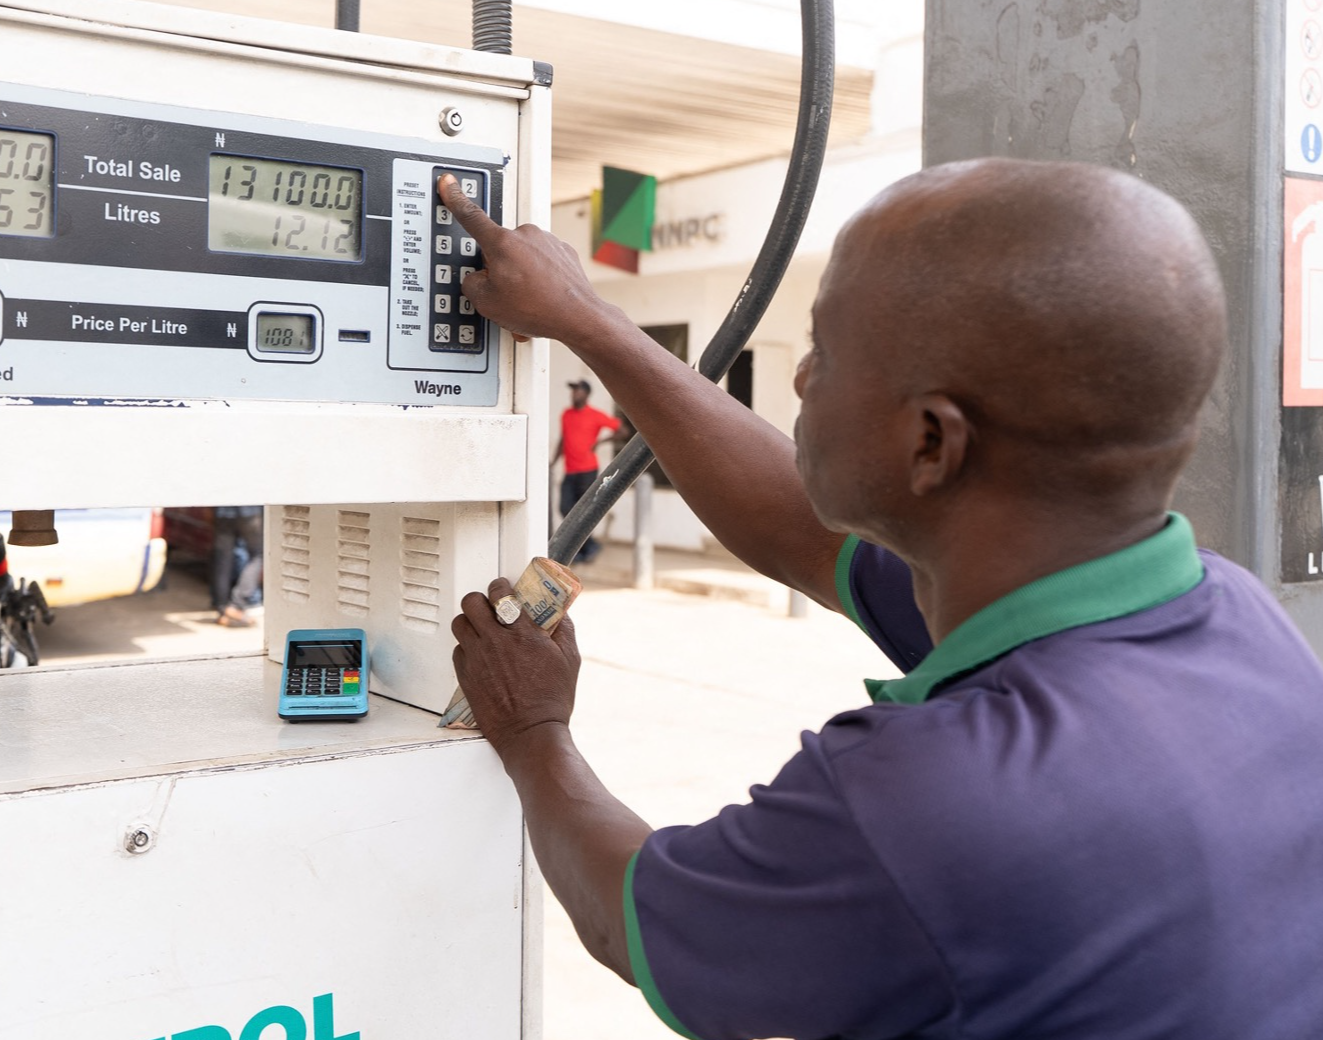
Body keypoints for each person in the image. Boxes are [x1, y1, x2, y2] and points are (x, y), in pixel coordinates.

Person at [435, 161, 1323, 1038]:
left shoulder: (932, 799)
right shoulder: (1238, 619)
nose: (798, 378)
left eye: (827, 350)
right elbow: (804, 534)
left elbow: (628, 918)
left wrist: (532, 733)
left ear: (931, 442)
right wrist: (586, 320)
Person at [556, 379, 621, 563]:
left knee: (584, 511)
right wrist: (553, 461)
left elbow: (621, 430)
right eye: (572, 391)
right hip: (570, 470)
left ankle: (583, 548)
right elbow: (563, 438)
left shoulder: (595, 415)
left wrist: (601, 442)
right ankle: (589, 545)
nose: (573, 394)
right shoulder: (566, 414)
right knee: (565, 508)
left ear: (586, 394)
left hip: (588, 470)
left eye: (577, 391)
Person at [209, 505, 262, 628]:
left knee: (222, 559)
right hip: (249, 511)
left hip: (223, 512)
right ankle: (236, 604)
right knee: (258, 555)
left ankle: (223, 610)